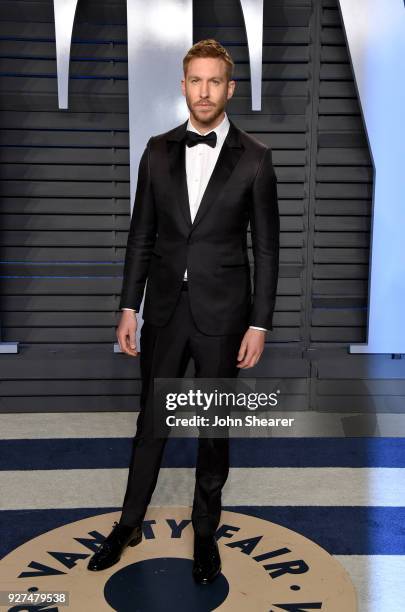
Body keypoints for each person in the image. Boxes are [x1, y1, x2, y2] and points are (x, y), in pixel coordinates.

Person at [87, 38, 279, 584]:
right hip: (165, 312)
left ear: (230, 87)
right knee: (151, 425)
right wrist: (130, 306)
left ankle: (205, 533)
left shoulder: (257, 159)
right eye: (195, 80)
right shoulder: (157, 150)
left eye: (214, 81)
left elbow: (266, 250)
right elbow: (140, 236)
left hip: (225, 318)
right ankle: (126, 525)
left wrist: (259, 322)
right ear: (183, 85)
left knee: (213, 429)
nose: (204, 91)